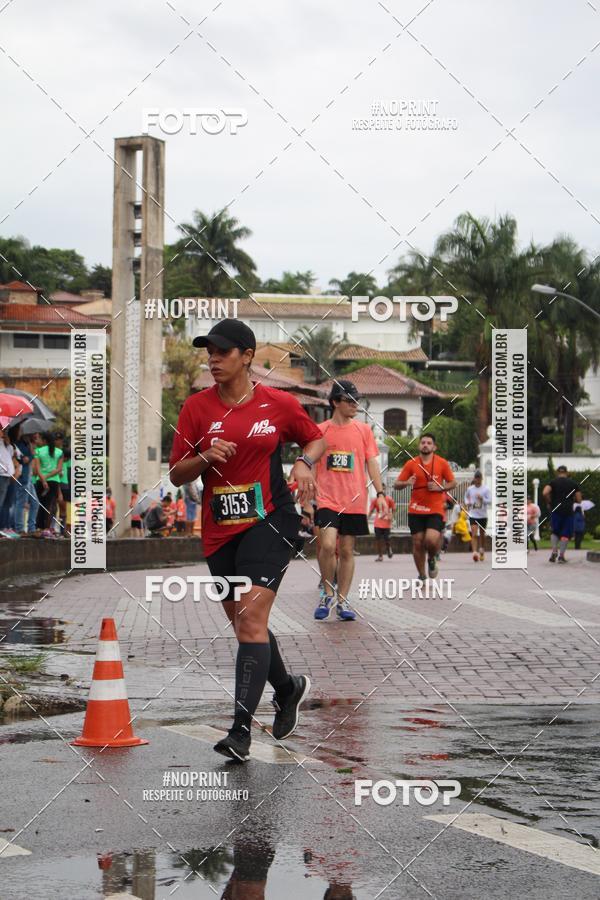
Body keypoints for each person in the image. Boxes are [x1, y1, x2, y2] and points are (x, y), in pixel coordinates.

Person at [169, 319, 325, 762]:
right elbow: (176, 471)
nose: (213, 360)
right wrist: (203, 457)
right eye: (209, 353)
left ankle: (240, 730)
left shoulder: (278, 403)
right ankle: (288, 688)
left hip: (270, 522)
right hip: (219, 531)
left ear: (247, 355)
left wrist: (303, 465)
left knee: (252, 622)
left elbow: (314, 439)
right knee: (244, 625)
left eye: (222, 352)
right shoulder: (196, 408)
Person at [313, 380, 387, 622]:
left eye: (357, 400)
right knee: (327, 545)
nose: (355, 405)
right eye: (350, 400)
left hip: (354, 500)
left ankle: (342, 600)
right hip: (326, 498)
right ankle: (326, 593)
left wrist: (381, 492)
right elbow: (310, 461)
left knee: (346, 550)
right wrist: (307, 493)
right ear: (335, 402)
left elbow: (372, 463)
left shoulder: (363, 431)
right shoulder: (320, 430)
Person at [394, 433, 456, 582]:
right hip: (415, 509)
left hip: (435, 509)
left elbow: (453, 483)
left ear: (434, 447)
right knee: (417, 542)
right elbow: (396, 484)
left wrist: (440, 487)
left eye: (429, 443)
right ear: (419, 446)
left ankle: (432, 558)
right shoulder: (411, 464)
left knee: (430, 540)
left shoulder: (442, 463)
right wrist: (407, 482)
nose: (425, 445)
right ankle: (422, 575)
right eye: (423, 442)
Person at [542, 465, 582, 563]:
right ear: (567, 473)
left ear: (557, 472)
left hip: (556, 510)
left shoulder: (553, 482)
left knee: (555, 531)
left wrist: (549, 502)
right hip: (568, 511)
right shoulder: (573, 484)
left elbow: (544, 492)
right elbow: (579, 500)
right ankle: (561, 556)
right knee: (565, 533)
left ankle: (554, 550)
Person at [34, 431, 63, 536]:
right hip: (54, 481)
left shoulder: (38, 451)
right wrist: (47, 478)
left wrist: (43, 479)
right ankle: (47, 528)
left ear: (44, 441)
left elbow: (37, 469)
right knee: (50, 504)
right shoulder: (59, 452)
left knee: (41, 503)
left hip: (40, 481)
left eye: (41, 439)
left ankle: (38, 527)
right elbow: (59, 469)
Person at [464, 470, 491, 562]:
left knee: (482, 535)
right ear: (474, 479)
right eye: (476, 478)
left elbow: (489, 501)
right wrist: (468, 503)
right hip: (473, 514)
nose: (478, 480)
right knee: (474, 534)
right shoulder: (470, 489)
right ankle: (475, 552)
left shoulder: (486, 489)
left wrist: (482, 498)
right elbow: (466, 497)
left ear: (482, 479)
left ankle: (482, 550)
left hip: (483, 515)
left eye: (479, 478)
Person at [368, 492, 395, 561]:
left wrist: (391, 516)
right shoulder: (375, 500)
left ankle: (388, 549)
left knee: (387, 539)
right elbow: (371, 510)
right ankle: (380, 556)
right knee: (378, 540)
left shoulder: (389, 499)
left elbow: (393, 508)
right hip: (378, 523)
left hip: (387, 523)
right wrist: (367, 519)